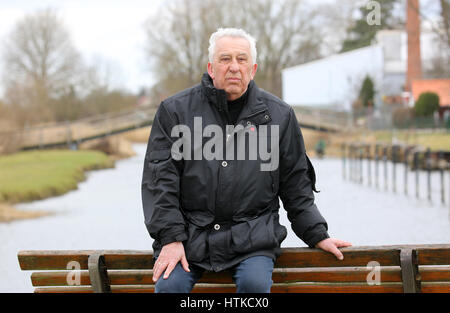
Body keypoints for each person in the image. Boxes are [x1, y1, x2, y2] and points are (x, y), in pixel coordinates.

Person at [141, 28, 351, 293]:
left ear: (252, 69)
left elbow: (296, 185)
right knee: (169, 287)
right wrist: (171, 239)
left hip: (253, 239)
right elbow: (160, 183)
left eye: (241, 60)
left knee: (254, 286)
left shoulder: (279, 116)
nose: (233, 67)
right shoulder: (175, 112)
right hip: (190, 237)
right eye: (225, 59)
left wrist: (317, 234)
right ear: (210, 68)